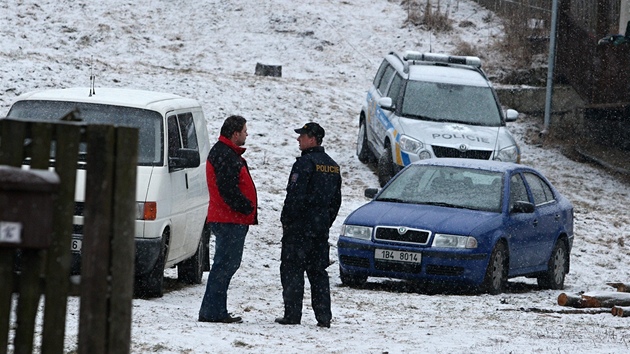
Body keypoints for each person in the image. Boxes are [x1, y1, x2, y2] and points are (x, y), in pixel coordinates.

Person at [275, 122, 342, 328]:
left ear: (312, 138)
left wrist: (287, 221)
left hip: (299, 229)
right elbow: (335, 202)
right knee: (318, 273)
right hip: (320, 230)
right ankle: (324, 316)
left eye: (302, 136)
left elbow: (294, 196)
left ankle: (292, 314)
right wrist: (324, 222)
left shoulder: (304, 164)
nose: (298, 139)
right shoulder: (332, 166)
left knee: (292, 270)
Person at [199, 115, 257, 324]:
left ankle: (214, 309)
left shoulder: (226, 153)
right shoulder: (225, 155)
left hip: (230, 218)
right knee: (225, 266)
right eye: (244, 130)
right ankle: (212, 311)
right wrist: (246, 206)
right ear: (235, 134)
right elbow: (227, 190)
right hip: (229, 219)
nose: (246, 134)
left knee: (225, 265)